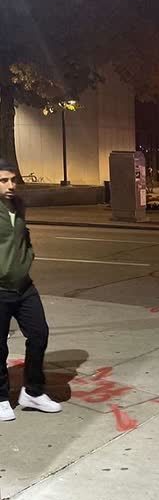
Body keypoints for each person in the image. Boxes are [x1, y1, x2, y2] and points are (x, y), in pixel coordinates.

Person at [0, 162, 62, 422]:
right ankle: (1, 397)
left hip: (24, 286)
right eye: (4, 180)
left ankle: (33, 392)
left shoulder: (18, 205)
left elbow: (23, 238)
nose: (11, 185)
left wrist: (28, 258)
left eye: (13, 180)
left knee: (39, 334)